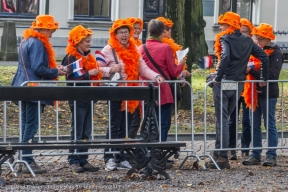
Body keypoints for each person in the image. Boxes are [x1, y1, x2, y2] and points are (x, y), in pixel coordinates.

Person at [97, 19, 163, 171]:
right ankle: (109, 158)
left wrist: (156, 76)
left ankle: (120, 157)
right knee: (114, 126)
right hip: (115, 93)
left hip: (130, 94)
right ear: (115, 34)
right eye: (121, 32)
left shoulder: (134, 49)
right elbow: (97, 69)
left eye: (126, 32)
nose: (124, 35)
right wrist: (110, 70)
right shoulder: (108, 49)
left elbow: (143, 68)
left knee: (125, 128)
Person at [206, 12, 269, 169]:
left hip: (225, 82)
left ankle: (222, 157)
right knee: (225, 119)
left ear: (230, 25)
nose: (221, 26)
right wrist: (264, 78)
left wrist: (217, 78)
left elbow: (226, 57)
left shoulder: (225, 38)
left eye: (223, 24)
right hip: (239, 83)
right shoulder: (247, 40)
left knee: (223, 120)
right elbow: (264, 57)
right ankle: (218, 153)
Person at [11, 15, 66, 174]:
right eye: (50, 30)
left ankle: (22, 159)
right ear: (41, 29)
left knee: (25, 124)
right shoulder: (38, 43)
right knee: (32, 124)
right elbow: (38, 69)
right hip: (33, 89)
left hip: (23, 86)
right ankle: (26, 159)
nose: (52, 33)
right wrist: (57, 71)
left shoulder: (26, 41)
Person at [61, 25, 102, 173]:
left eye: (90, 41)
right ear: (78, 41)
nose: (89, 44)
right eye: (86, 41)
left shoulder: (87, 56)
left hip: (88, 97)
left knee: (86, 131)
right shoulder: (70, 57)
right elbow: (70, 77)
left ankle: (83, 159)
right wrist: (88, 74)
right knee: (77, 130)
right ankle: (73, 160)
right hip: (77, 98)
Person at [242, 23, 283, 167]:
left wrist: (251, 71)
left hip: (268, 93)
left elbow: (272, 74)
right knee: (254, 124)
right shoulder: (256, 50)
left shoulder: (275, 52)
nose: (258, 42)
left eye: (260, 39)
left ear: (268, 38)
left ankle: (271, 154)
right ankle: (255, 154)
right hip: (254, 92)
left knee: (269, 123)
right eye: (257, 38)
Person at [139, 19, 185, 143]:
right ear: (162, 32)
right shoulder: (166, 48)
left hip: (145, 90)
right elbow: (173, 71)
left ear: (149, 31)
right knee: (162, 123)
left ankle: (147, 150)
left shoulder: (140, 48)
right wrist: (180, 64)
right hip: (162, 90)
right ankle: (159, 151)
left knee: (147, 122)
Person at [228, 18, 254, 160]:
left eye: (246, 32)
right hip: (235, 86)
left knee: (247, 120)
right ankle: (231, 148)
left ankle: (245, 148)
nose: (243, 34)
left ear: (250, 34)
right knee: (232, 119)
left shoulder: (252, 46)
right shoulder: (232, 44)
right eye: (241, 31)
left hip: (249, 87)